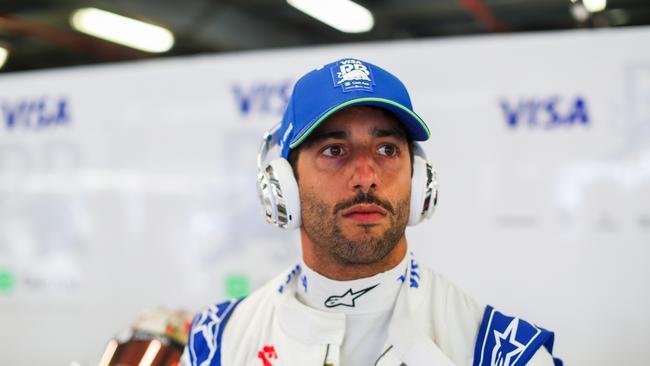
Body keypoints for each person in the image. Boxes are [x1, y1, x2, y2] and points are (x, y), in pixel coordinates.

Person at [182, 58, 562, 366]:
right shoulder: (218, 342)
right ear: (283, 184)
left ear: (420, 179)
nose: (366, 177)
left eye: (386, 150)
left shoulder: (501, 352)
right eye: (334, 150)